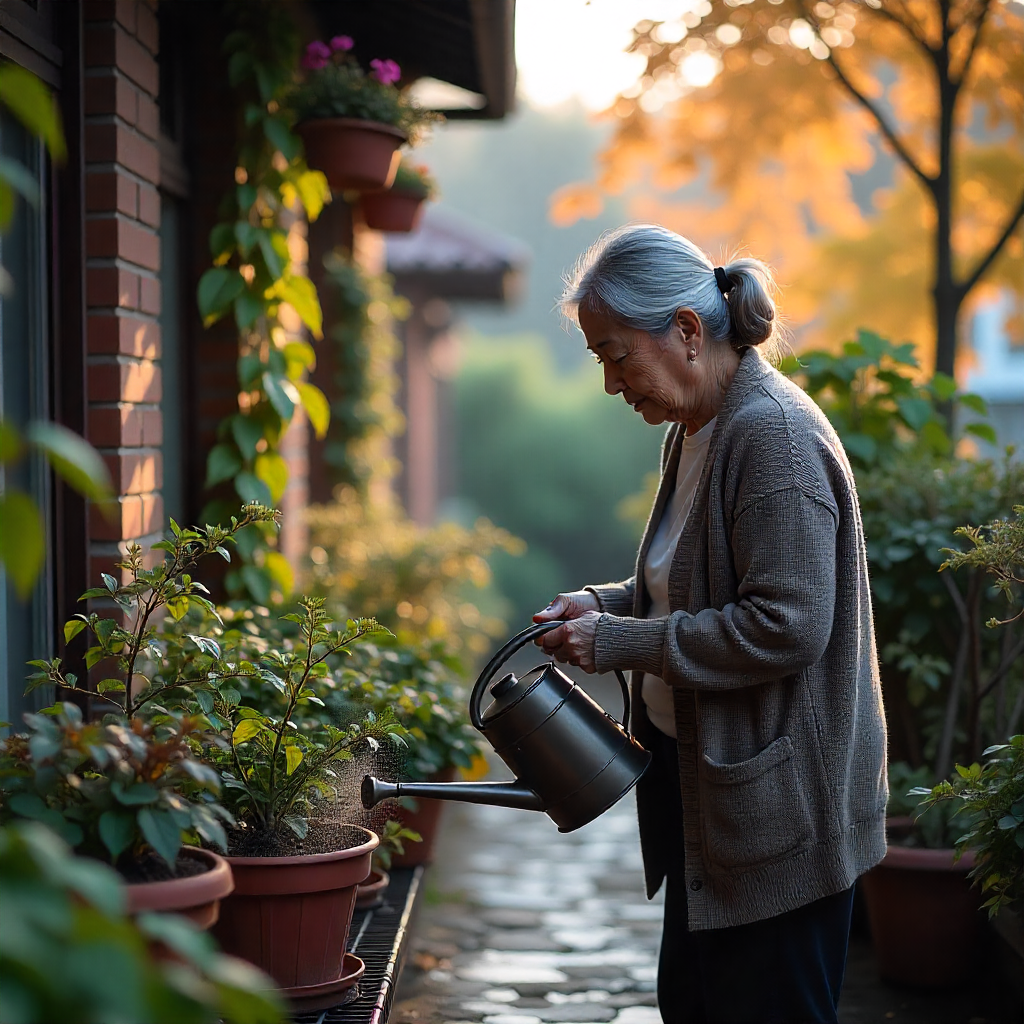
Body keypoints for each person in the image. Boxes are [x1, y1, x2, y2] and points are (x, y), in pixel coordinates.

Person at [532, 225, 887, 1024]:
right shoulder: (696, 429)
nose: (611, 383)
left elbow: (785, 625)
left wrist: (619, 642)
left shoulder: (774, 439)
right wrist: (605, 604)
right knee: (692, 1004)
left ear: (688, 331)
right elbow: (691, 584)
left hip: (779, 820)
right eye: (599, 360)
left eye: (616, 355)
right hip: (713, 802)